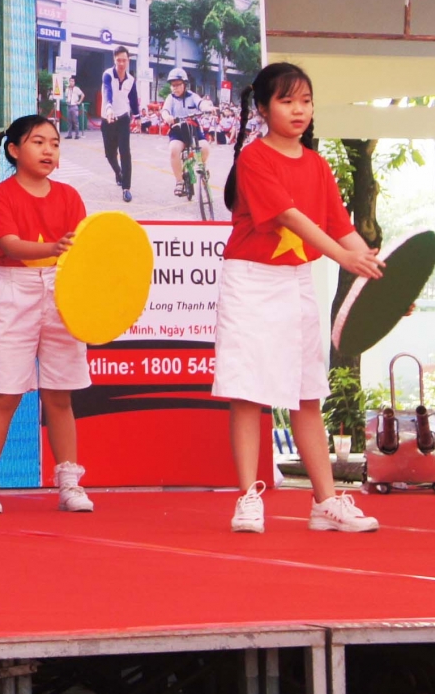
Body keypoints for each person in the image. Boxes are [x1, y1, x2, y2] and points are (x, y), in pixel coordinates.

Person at [214, 62, 384, 535]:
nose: (298, 110)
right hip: (251, 282)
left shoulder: (317, 164)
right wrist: (343, 258)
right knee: (248, 393)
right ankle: (248, 497)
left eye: (305, 101)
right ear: (263, 108)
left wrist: (378, 280)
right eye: (287, 101)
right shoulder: (254, 159)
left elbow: (342, 228)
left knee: (308, 393)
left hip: (297, 282)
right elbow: (290, 217)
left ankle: (325, 502)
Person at [0, 114, 94, 515]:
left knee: (59, 394)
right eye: (38, 142)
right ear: (13, 150)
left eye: (54, 143)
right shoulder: (0, 196)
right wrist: (53, 248)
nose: (48, 150)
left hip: (62, 290)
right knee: (6, 393)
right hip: (14, 290)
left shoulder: (70, 196)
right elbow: (9, 244)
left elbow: (85, 250)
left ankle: (69, 483)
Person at [97, 45, 139, 202]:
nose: (121, 63)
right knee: (109, 154)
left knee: (125, 152)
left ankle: (126, 188)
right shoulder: (107, 75)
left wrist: (138, 116)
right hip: (107, 118)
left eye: (124, 60)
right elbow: (108, 91)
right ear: (114, 60)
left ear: (128, 61)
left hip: (122, 118)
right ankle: (118, 172)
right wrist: (108, 108)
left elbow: (133, 99)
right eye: (118, 60)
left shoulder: (131, 80)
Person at [160, 68, 208, 200]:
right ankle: (179, 181)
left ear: (185, 84)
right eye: (173, 85)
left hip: (193, 130)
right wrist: (167, 117)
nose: (175, 88)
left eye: (178, 84)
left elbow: (201, 103)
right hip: (177, 131)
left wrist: (207, 108)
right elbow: (165, 111)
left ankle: (202, 167)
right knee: (173, 151)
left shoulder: (192, 96)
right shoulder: (170, 98)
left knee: (205, 148)